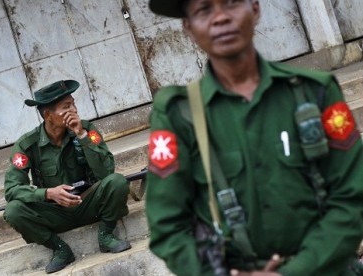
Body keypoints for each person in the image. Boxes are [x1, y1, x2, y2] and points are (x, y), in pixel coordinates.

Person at [145, 0, 363, 275]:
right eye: (204, 9)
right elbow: (168, 226)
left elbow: (351, 198)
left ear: (256, 9)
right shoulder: (179, 115)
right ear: (188, 27)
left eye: (232, 3)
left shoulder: (315, 91)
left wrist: (296, 271)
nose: (221, 18)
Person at [3, 80, 131, 274]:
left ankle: (106, 235)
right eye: (66, 107)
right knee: (13, 211)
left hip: (89, 203)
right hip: (56, 213)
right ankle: (60, 250)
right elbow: (12, 190)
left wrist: (81, 135)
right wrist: (47, 194)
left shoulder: (86, 129)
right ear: (48, 115)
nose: (75, 110)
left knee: (118, 182)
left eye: (73, 103)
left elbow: (106, 173)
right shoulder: (27, 145)